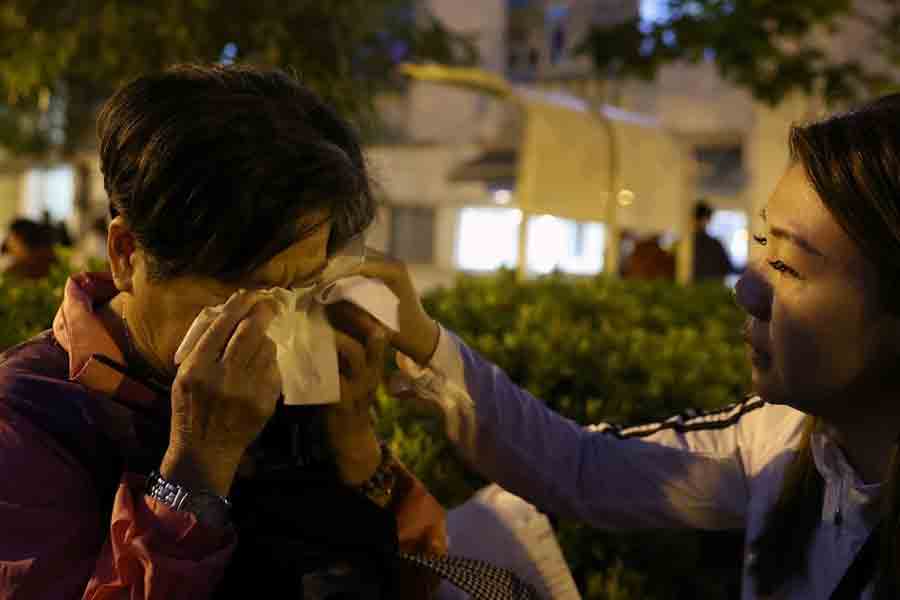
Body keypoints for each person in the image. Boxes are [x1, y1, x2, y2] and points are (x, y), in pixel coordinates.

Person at [360, 94, 900, 598]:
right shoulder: (777, 440)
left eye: (787, 264)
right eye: (761, 244)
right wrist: (426, 342)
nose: (746, 290)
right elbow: (580, 468)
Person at [0, 64, 447, 599]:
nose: (277, 321)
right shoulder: (27, 421)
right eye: (244, 289)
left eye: (303, 286)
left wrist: (351, 438)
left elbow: (424, 580)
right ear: (126, 254)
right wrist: (196, 469)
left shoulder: (296, 379)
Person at [692, 200, 737, 281]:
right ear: (707, 219)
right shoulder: (715, 244)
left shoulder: (688, 244)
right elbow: (728, 267)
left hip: (695, 290)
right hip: (713, 290)